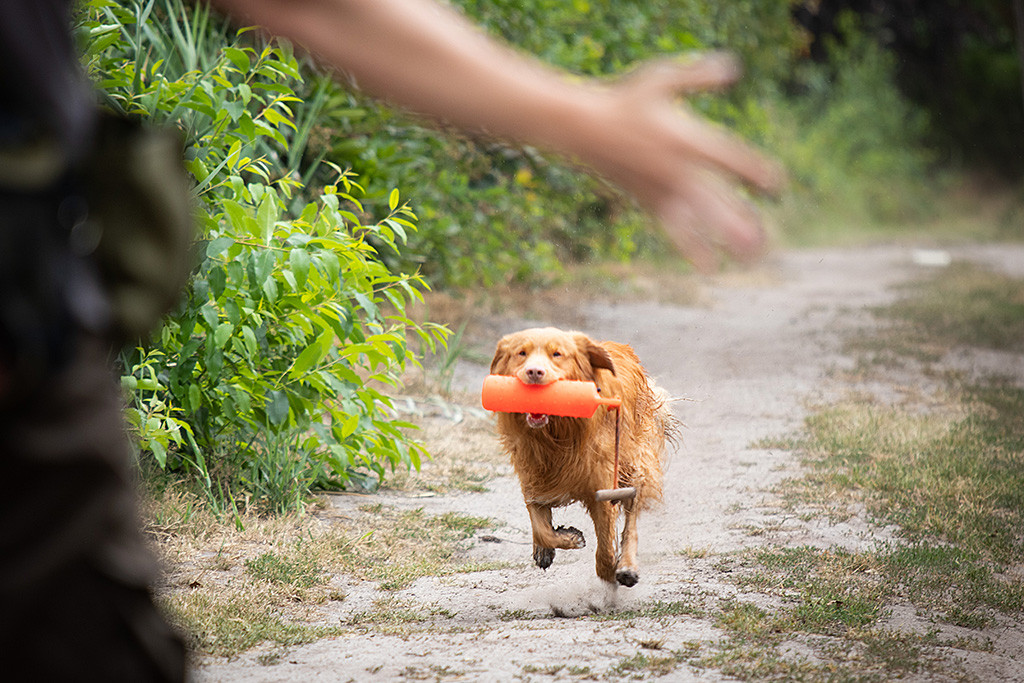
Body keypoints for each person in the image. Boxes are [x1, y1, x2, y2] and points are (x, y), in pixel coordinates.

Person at [0, 0, 781, 680]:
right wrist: (583, 119)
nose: (536, 368)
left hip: (33, 360)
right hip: (32, 366)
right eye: (521, 357)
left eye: (550, 358)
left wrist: (584, 120)